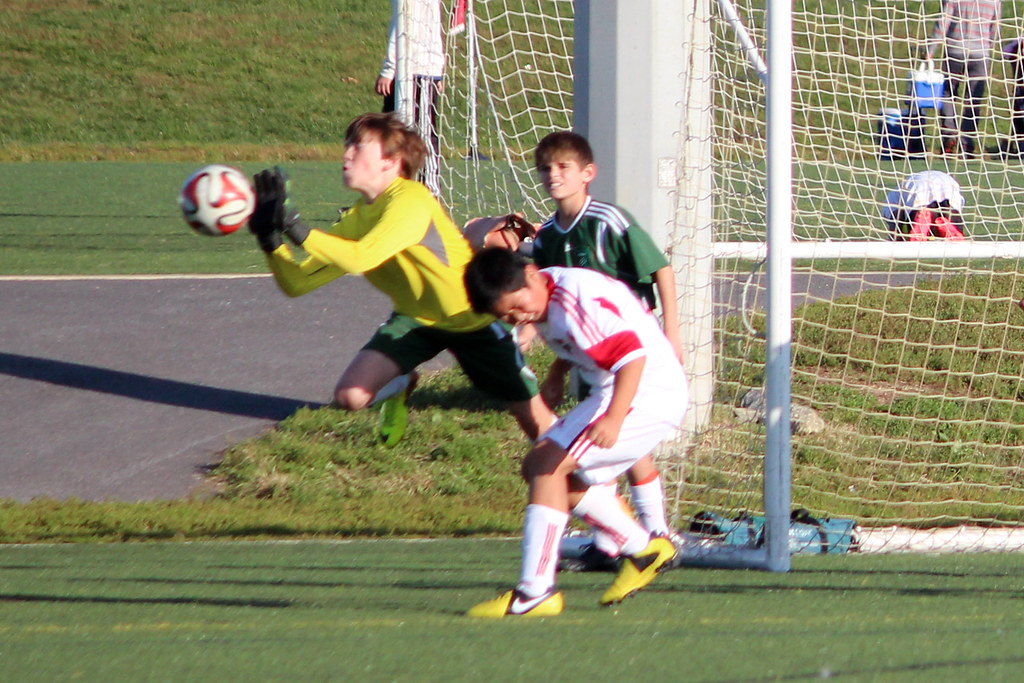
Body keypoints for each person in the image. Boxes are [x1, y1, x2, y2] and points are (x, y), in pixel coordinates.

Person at [247, 113, 554, 448]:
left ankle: (577, 466)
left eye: (358, 147)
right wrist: (270, 240)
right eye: (347, 145)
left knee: (533, 419)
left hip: (470, 317)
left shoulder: (411, 200)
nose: (346, 154)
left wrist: (295, 228)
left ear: (390, 161)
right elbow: (297, 283)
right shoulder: (359, 216)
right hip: (415, 319)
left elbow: (362, 257)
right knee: (350, 396)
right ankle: (401, 385)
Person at [463, 248, 689, 617]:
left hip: (647, 393)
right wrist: (557, 373)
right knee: (541, 469)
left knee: (546, 466)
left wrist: (614, 418)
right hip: (621, 389)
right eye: (506, 315)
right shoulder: (548, 289)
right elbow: (586, 337)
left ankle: (535, 591)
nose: (518, 317)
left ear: (532, 275)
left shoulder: (571, 302)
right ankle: (643, 551)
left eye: (517, 306)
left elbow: (632, 356)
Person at [529, 131, 685, 571]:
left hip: (631, 348)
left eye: (563, 167)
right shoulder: (545, 238)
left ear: (587, 173)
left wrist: (673, 332)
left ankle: (653, 536)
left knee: (613, 442)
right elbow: (559, 311)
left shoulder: (608, 221)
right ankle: (616, 542)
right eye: (546, 168)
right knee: (605, 447)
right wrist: (557, 370)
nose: (553, 175)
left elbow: (660, 268)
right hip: (589, 355)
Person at [376, 0, 445, 195]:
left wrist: (389, 70)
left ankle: (409, 187)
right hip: (427, 70)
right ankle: (424, 187)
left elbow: (400, 28)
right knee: (423, 131)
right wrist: (437, 69)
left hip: (410, 70)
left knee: (396, 132)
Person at [925, 0, 1002, 157]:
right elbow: (995, 27)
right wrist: (988, 46)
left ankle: (949, 134)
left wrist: (931, 49)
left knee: (947, 93)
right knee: (973, 99)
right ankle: (966, 143)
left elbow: (943, 22)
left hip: (955, 50)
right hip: (980, 53)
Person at [882, 170, 966, 241]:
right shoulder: (897, 192)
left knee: (918, 214)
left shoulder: (888, 206)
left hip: (918, 187)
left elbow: (896, 225)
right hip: (948, 184)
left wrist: (898, 238)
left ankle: (922, 226)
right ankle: (950, 227)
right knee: (950, 211)